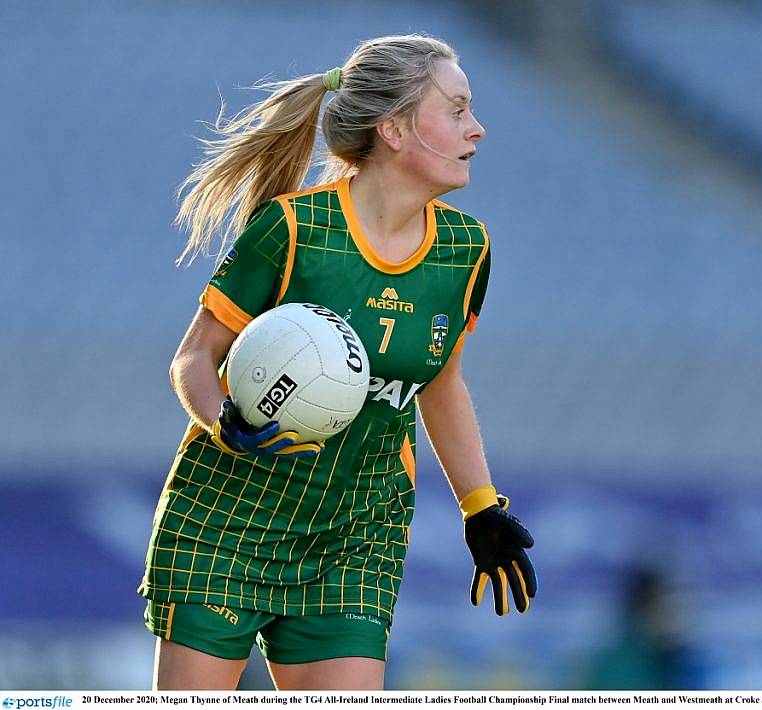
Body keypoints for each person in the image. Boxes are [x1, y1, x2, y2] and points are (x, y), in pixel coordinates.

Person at [138, 34, 537, 691]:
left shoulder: (468, 248)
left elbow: (440, 382)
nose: (479, 129)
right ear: (395, 129)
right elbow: (193, 359)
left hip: (356, 535)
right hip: (227, 525)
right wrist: (223, 423)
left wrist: (480, 507)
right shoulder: (292, 230)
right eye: (459, 109)